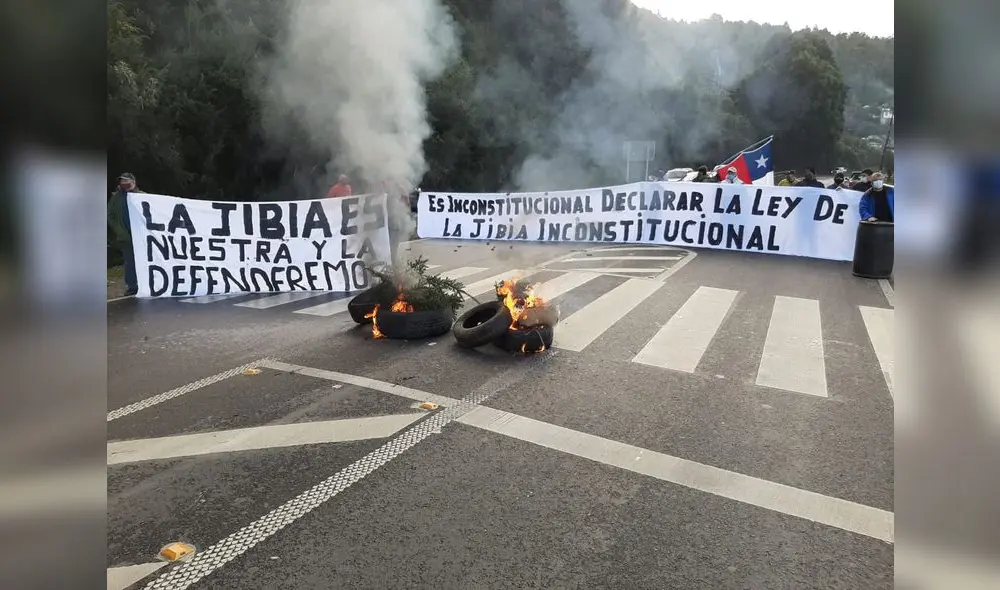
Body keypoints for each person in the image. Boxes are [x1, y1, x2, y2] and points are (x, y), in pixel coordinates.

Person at [107, 173, 144, 296]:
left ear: (133, 182)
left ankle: (146, 284)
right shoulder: (116, 198)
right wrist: (119, 231)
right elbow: (110, 215)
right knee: (130, 262)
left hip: (142, 235)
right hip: (126, 236)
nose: (123, 183)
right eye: (121, 181)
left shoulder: (142, 196)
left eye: (126, 181)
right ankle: (132, 286)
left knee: (144, 260)